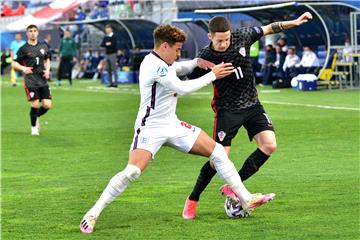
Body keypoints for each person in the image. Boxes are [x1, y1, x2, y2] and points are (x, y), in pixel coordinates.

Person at [79, 24, 275, 234]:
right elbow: (181, 88)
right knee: (132, 172)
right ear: (165, 46)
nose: (179, 53)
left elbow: (180, 68)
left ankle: (246, 199)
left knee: (217, 152)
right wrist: (213, 75)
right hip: (150, 129)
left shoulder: (164, 61)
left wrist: (197, 62)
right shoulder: (154, 65)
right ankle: (93, 213)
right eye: (178, 49)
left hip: (172, 125)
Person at [182, 12, 313, 219]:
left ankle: (235, 187)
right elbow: (186, 84)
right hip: (227, 110)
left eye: (226, 38)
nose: (224, 43)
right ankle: (193, 199)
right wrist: (208, 73)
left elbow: (271, 27)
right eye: (219, 40)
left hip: (253, 105)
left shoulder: (242, 36)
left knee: (269, 145)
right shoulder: (206, 56)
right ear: (209, 37)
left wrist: (295, 22)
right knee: (219, 158)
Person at [11, 24, 51, 136]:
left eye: (35, 30)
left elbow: (47, 59)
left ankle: (36, 115)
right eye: (30, 31)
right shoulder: (23, 49)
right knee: (35, 104)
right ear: (27, 33)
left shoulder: (44, 46)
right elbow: (14, 63)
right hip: (30, 80)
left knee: (47, 105)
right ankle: (34, 128)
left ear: (38, 32)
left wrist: (47, 70)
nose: (33, 33)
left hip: (42, 80)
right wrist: (23, 68)